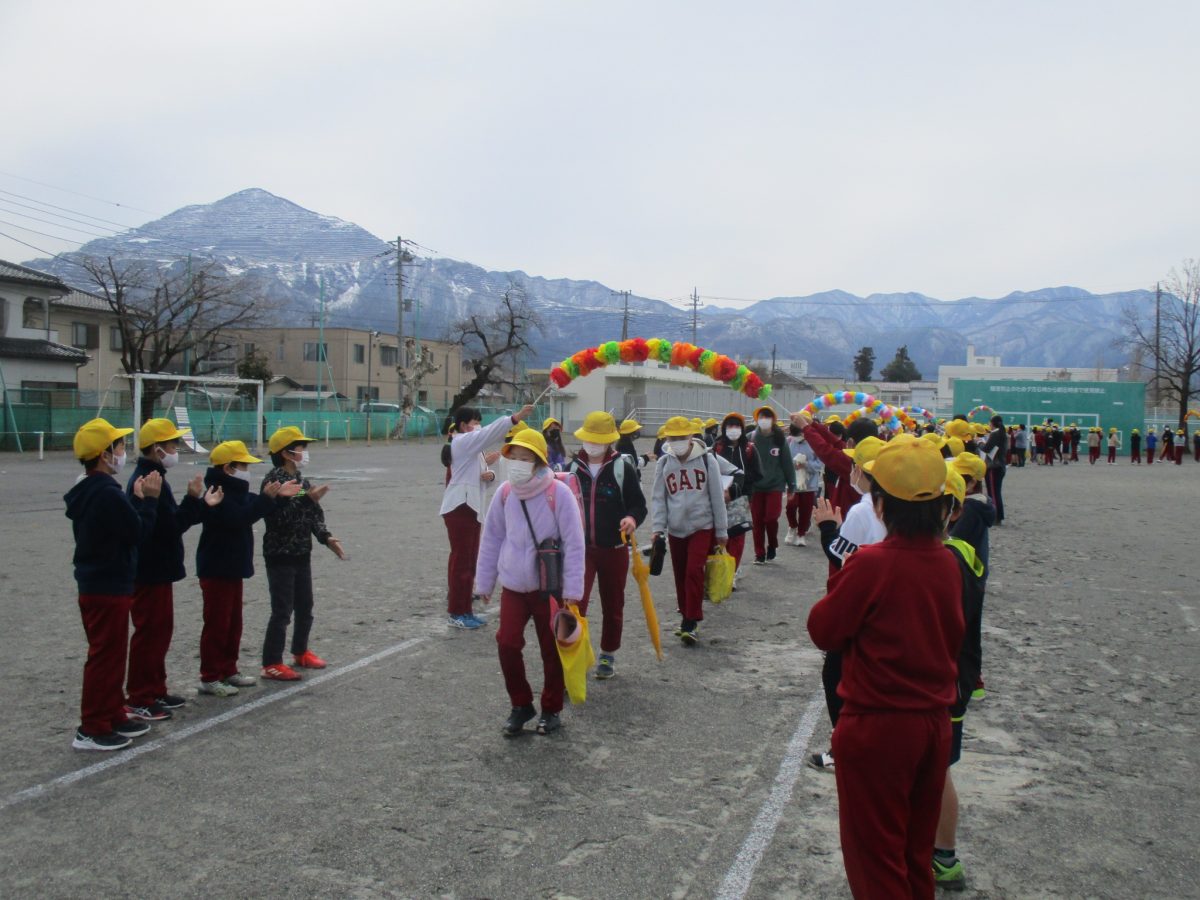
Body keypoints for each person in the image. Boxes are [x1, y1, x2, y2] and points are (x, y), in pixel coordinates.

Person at [807, 437, 964, 899]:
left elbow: (824, 629)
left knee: (875, 859)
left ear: (880, 505)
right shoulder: (948, 561)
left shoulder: (872, 563)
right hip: (932, 723)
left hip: (878, 724)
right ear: (942, 507)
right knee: (914, 853)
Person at [475, 429, 585, 736]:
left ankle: (551, 709)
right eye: (514, 458)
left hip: (548, 588)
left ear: (538, 462)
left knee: (552, 649)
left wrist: (573, 590)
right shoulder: (505, 493)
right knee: (507, 643)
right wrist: (484, 582)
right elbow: (492, 537)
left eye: (525, 458)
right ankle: (521, 704)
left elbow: (574, 542)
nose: (517, 464)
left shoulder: (558, 493)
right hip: (513, 586)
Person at [65, 418, 162, 751]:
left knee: (113, 655)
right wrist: (149, 502)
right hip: (106, 584)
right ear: (104, 455)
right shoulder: (104, 491)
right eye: (118, 446)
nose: (123, 451)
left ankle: (112, 713)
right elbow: (136, 533)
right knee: (105, 657)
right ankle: (92, 726)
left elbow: (119, 527)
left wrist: (134, 502)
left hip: (103, 581)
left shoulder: (93, 489)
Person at [123, 418, 222, 722]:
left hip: (158, 569)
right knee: (150, 633)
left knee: (160, 632)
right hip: (150, 570)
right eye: (172, 443)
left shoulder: (155, 477)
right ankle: (140, 696)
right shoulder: (148, 479)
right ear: (157, 448)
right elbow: (169, 527)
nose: (176, 448)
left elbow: (170, 521)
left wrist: (196, 504)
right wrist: (193, 501)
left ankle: (155, 689)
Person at [808, 435, 888, 773]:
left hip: (861, 602)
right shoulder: (891, 504)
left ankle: (843, 746)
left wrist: (828, 529)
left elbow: (842, 558)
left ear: (861, 471)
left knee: (837, 674)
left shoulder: (863, 508)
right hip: (886, 605)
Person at [196, 441, 300, 697]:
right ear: (228, 468)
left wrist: (278, 498)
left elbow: (256, 506)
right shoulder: (217, 492)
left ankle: (228, 669)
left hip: (233, 568)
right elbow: (239, 518)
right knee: (217, 624)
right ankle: (210, 676)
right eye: (242, 465)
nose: (247, 470)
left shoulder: (237, 491)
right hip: (217, 568)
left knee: (233, 623)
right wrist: (267, 499)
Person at [934, 467, 988, 891]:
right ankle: (941, 854)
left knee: (936, 774)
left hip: (942, 686)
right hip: (955, 682)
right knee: (938, 772)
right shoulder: (962, 554)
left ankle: (942, 855)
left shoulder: (948, 561)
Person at [259, 427, 347, 681]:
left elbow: (312, 515)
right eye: (301, 447)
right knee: (282, 610)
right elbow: (280, 519)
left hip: (301, 552)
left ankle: (300, 651)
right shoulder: (273, 482)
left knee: (305, 606)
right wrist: (308, 500)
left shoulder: (300, 480)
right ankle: (271, 662)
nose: (304, 452)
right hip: (280, 554)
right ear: (286, 453)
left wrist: (326, 537)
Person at [567, 412, 647, 681]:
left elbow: (639, 505)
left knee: (613, 604)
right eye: (589, 439)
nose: (592, 444)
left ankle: (608, 653)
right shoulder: (572, 468)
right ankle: (574, 657)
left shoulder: (622, 468)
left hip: (614, 549)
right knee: (574, 604)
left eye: (598, 440)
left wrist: (631, 518)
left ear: (609, 441)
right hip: (580, 550)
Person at [440, 404, 535, 629]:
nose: (478, 426)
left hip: (471, 507)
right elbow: (489, 433)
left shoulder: (472, 448)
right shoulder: (462, 441)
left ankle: (465, 609)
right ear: (464, 425)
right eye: (475, 422)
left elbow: (480, 477)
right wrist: (515, 418)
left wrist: (490, 474)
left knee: (469, 560)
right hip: (460, 508)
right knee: (462, 561)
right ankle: (457, 612)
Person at [651, 416, 728, 645]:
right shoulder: (664, 463)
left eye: (681, 437)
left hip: (701, 525)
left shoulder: (707, 460)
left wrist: (721, 530)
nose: (677, 442)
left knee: (694, 570)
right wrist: (658, 528)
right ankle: (685, 613)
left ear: (691, 436)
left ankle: (691, 621)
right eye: (672, 438)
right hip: (675, 528)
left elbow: (717, 497)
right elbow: (659, 498)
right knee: (680, 573)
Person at [712, 413, 761, 578]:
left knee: (737, 536)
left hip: (741, 499)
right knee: (719, 535)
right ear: (724, 429)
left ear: (742, 429)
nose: (733, 429)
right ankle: (719, 569)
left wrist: (740, 486)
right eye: (730, 426)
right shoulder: (716, 448)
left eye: (737, 426)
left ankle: (732, 572)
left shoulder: (749, 449)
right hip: (719, 499)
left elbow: (757, 474)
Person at [749, 406, 796, 564]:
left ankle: (772, 545)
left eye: (767, 417)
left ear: (773, 420)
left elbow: (787, 463)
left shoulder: (780, 439)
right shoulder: (750, 438)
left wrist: (792, 485)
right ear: (757, 419)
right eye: (761, 417)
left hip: (775, 485)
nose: (764, 420)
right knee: (757, 521)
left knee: (771, 517)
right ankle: (759, 553)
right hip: (756, 486)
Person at [785, 422, 823, 547]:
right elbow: (783, 460)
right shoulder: (789, 441)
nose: (797, 438)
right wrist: (792, 465)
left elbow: (819, 463)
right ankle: (792, 526)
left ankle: (801, 534)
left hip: (809, 483)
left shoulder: (814, 443)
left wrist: (806, 465)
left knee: (805, 509)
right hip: (792, 482)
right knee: (790, 506)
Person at [981, 415, 1007, 525]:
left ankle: (996, 516)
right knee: (997, 492)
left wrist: (979, 442)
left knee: (993, 493)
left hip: (993, 466)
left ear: (992, 423)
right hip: (1000, 465)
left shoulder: (995, 434)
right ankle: (999, 516)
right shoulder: (1002, 433)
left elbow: (986, 448)